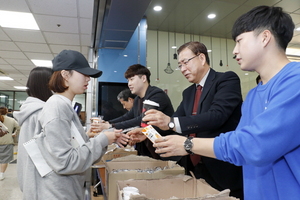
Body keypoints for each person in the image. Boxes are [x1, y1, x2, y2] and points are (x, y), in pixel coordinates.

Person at [152, 6, 299, 200]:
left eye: (239, 41)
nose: (235, 51)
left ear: (264, 38)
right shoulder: (254, 95)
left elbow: (253, 145)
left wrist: (188, 144)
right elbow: (238, 146)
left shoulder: (295, 81)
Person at [131, 41, 244, 199]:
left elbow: (217, 115)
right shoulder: (188, 92)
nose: (182, 69)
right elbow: (175, 121)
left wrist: (170, 122)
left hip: (222, 169)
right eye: (180, 65)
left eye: (185, 62)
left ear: (202, 58)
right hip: (194, 168)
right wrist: (147, 133)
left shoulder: (226, 80)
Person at [17, 50, 120, 199]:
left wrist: (95, 139)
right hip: (56, 192)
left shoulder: (63, 106)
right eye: (83, 74)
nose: (88, 79)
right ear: (65, 75)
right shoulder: (57, 107)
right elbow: (65, 162)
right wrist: (103, 139)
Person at [95, 64, 174, 159]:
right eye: (128, 80)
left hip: (165, 147)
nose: (129, 84)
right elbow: (128, 116)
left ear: (143, 78)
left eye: (132, 79)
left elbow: (142, 119)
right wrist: (108, 122)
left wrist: (111, 126)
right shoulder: (137, 99)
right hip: (147, 147)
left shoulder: (156, 94)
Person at [14, 67, 54, 194]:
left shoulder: (29, 109)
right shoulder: (42, 112)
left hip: (30, 178)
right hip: (42, 183)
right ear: (47, 86)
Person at [0, 106, 20, 181]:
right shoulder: (11, 120)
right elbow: (19, 127)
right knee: (4, 159)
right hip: (7, 142)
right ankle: (1, 174)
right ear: (6, 111)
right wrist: (15, 134)